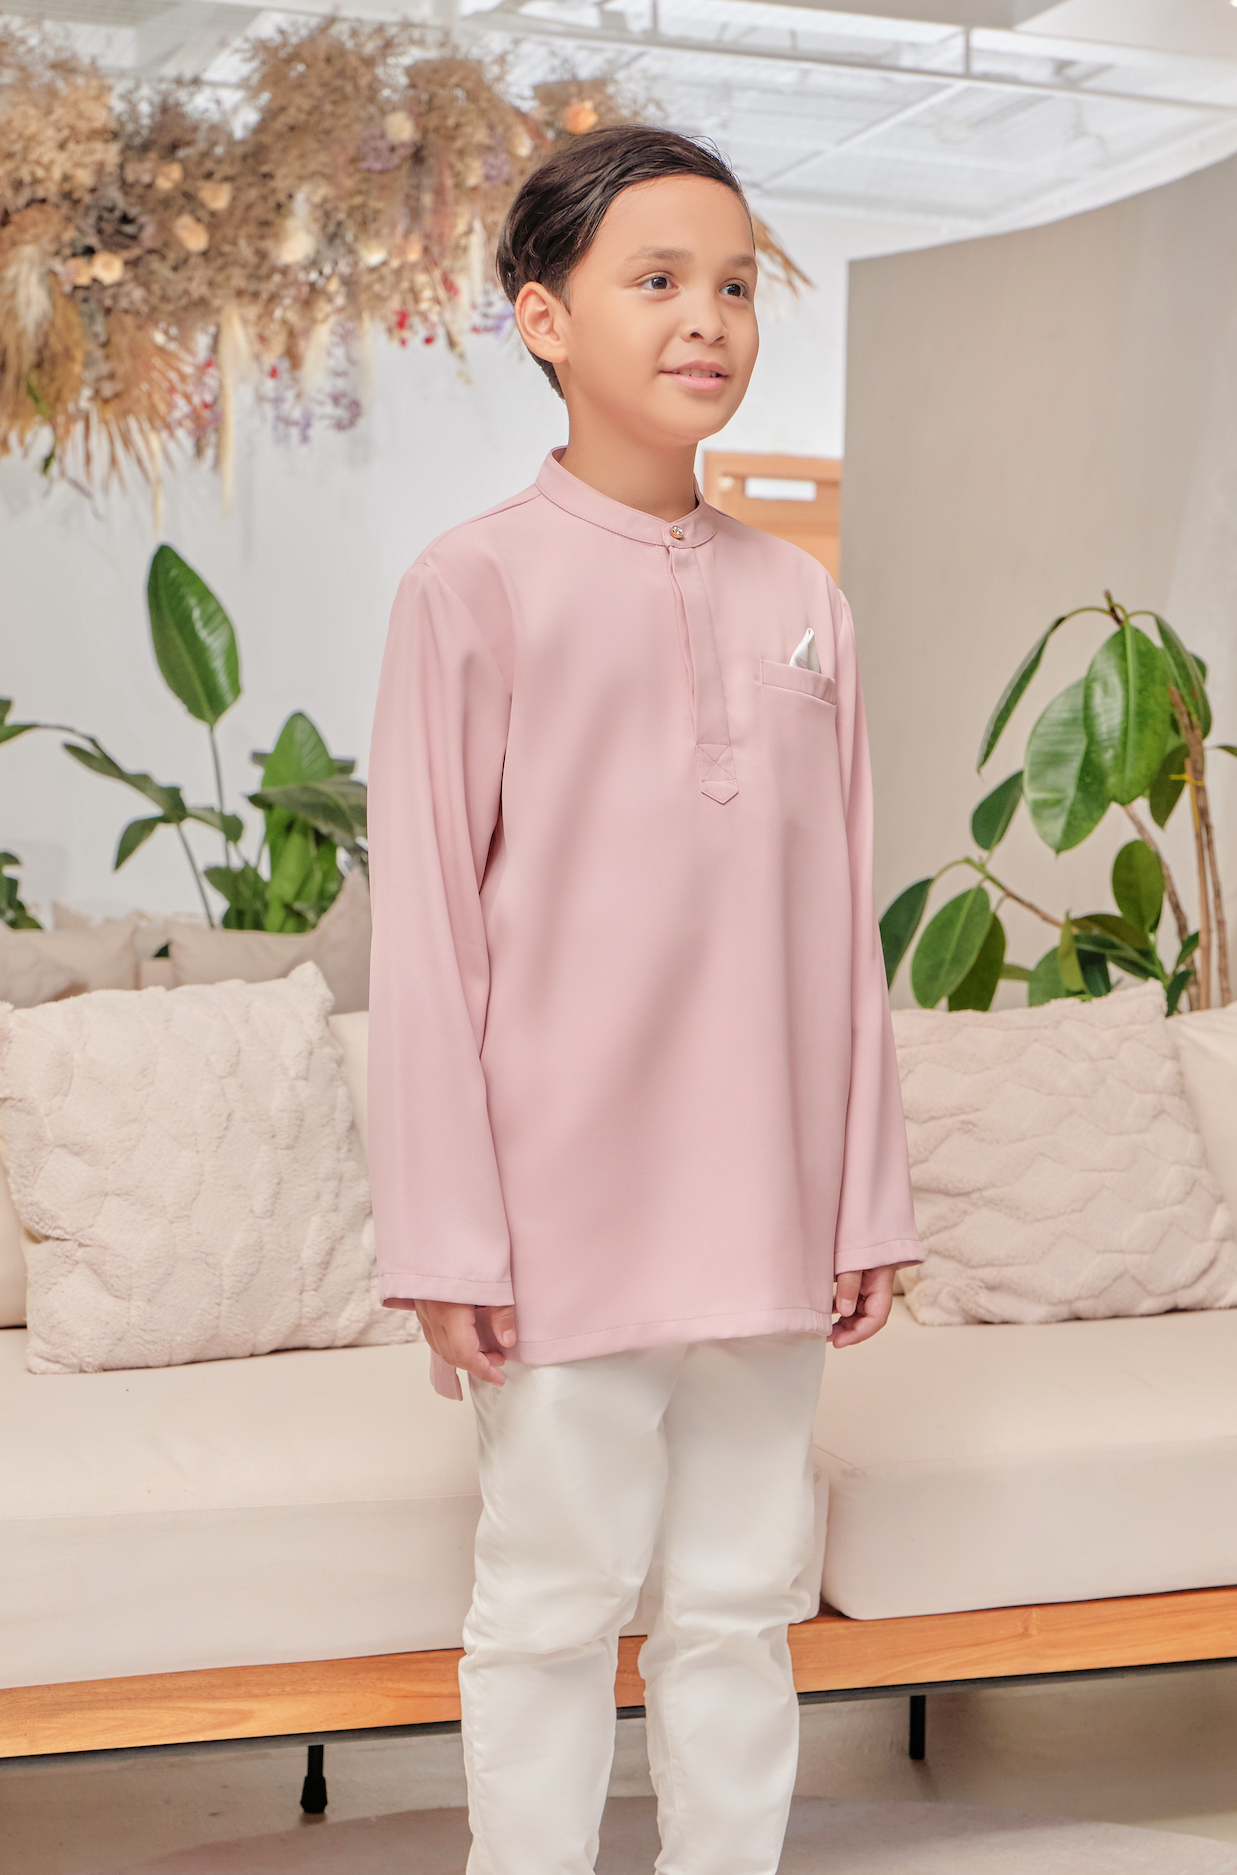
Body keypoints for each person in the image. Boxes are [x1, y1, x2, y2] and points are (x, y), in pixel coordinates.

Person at [366, 124, 923, 1875]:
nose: (710, 319)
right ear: (544, 318)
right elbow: (426, 943)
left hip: (766, 1212)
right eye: (659, 279)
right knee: (548, 1607)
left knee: (743, 1605)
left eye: (737, 285)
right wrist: (445, 1237)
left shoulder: (806, 599)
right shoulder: (471, 586)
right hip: (556, 1225)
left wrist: (865, 1199)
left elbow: (844, 925)